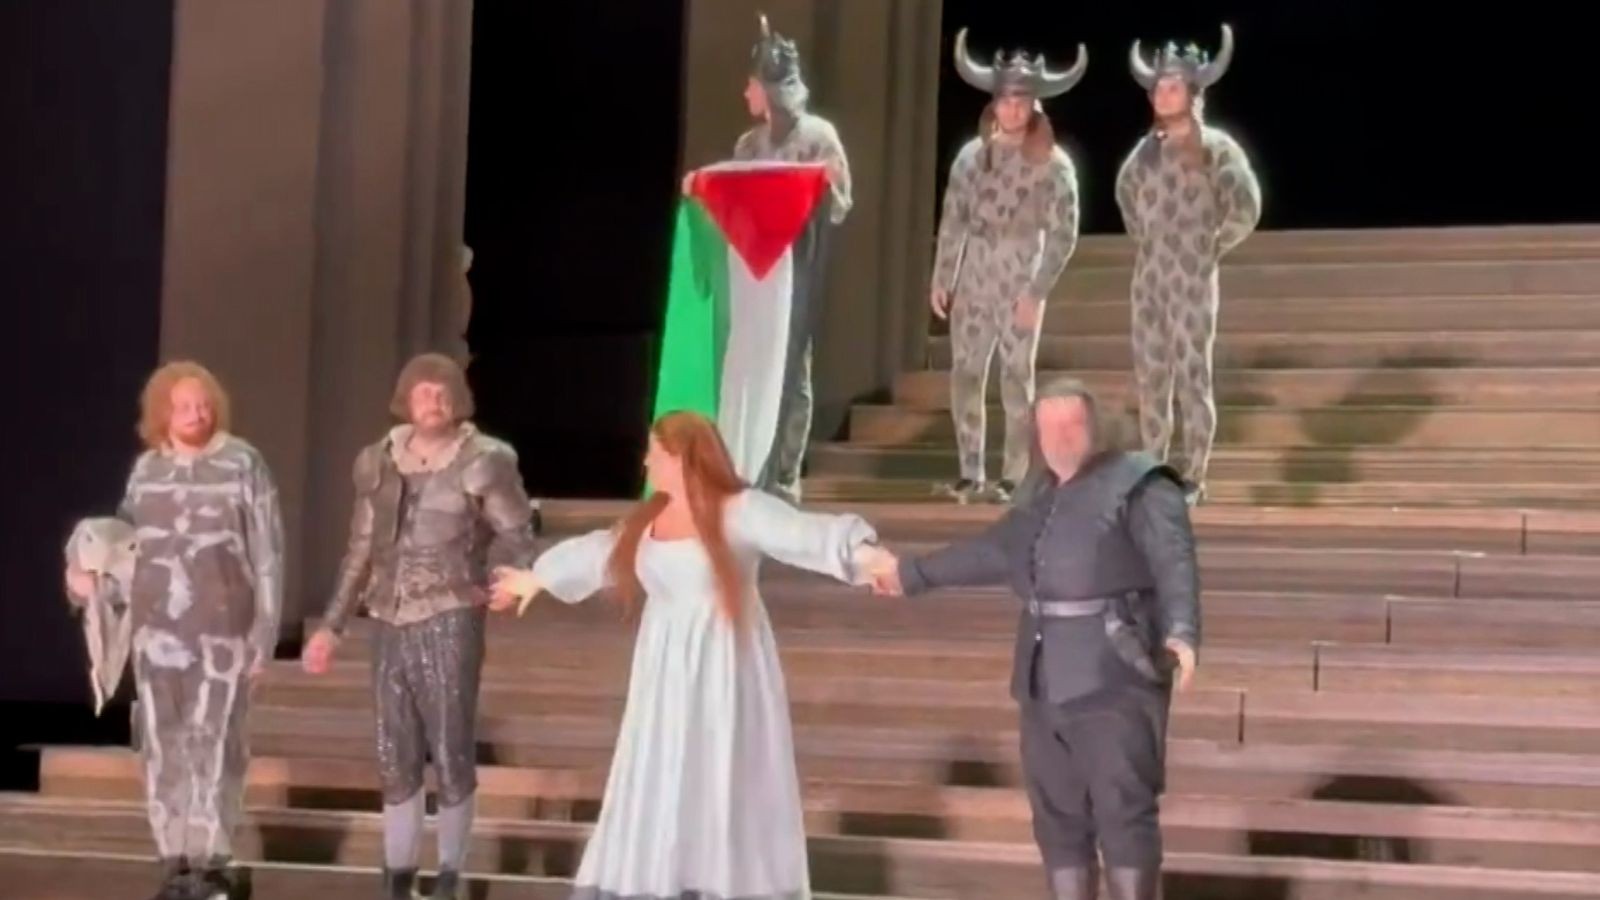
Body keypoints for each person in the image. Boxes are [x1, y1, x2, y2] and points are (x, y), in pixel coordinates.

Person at [489, 410, 887, 900]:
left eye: (656, 453)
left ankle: (725, 880)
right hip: (664, 666)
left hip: (722, 661)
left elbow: (802, 534)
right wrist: (536, 578)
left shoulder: (739, 510)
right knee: (664, 763)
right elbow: (599, 554)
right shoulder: (648, 520)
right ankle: (660, 877)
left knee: (720, 761)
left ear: (683, 458)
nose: (646, 462)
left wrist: (866, 556)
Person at [869, 377, 1201, 900]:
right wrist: (909, 574)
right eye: (1049, 426)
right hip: (1042, 684)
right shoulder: (1039, 494)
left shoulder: (1140, 483)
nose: (1060, 436)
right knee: (1057, 820)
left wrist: (1182, 631)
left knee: (1123, 813)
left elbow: (1174, 559)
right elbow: (990, 552)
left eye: (1071, 424)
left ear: (1096, 426)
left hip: (1116, 679)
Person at [299, 353, 539, 900]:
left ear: (459, 399)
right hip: (389, 617)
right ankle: (398, 875)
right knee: (395, 751)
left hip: (449, 613)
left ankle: (450, 872)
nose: (432, 401)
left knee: (451, 746)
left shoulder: (485, 460)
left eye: (442, 391)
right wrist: (331, 626)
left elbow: (518, 534)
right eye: (422, 392)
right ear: (405, 399)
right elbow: (360, 550)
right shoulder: (378, 460)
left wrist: (509, 580)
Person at [63, 361, 284, 900]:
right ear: (162, 411)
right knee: (163, 747)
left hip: (223, 633)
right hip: (157, 635)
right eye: (184, 406)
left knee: (217, 744)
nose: (195, 414)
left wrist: (264, 636)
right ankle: (176, 862)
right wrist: (88, 579)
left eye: (203, 404)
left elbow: (269, 554)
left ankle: (213, 863)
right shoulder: (147, 471)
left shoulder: (243, 463)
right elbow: (124, 550)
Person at [684, 13, 852, 504]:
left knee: (793, 366)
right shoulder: (749, 144)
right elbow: (735, 202)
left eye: (752, 85)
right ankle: (747, 463)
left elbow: (840, 203)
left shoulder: (818, 137)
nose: (746, 94)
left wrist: (816, 187)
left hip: (796, 266)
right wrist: (703, 187)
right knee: (752, 361)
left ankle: (784, 474)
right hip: (754, 272)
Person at [929, 29, 1086, 506]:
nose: (1013, 108)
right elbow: (953, 220)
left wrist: (1037, 291)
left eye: (1021, 100)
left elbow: (1063, 234)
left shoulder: (1053, 165)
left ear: (1035, 104)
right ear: (993, 103)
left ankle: (1015, 476)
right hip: (975, 278)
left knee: (1016, 379)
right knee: (966, 373)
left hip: (1019, 282)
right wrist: (943, 277)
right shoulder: (971, 158)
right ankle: (969, 472)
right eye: (1005, 99)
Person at [1115, 24, 1262, 505]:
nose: (1164, 94)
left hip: (1192, 281)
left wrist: (1211, 246)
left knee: (1192, 377)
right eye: (1159, 87)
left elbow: (1246, 205)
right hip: (1149, 280)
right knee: (1151, 378)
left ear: (1193, 93)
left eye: (1174, 87)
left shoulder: (1216, 149)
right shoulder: (1145, 154)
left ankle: (1194, 474)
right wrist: (1149, 241)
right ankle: (1153, 467)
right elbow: (1126, 195)